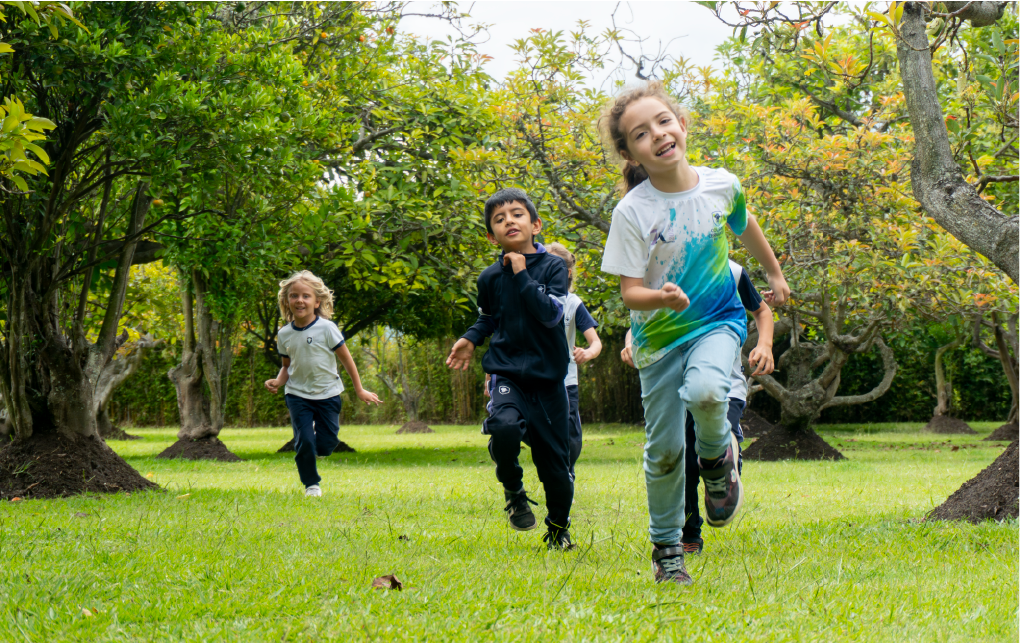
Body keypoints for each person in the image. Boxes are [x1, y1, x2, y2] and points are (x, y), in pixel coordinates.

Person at [599, 82, 789, 584]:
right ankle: (667, 550)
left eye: (663, 121)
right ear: (630, 152)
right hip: (658, 340)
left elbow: (746, 228)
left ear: (681, 124)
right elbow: (630, 292)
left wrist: (773, 274)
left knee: (708, 391)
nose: (657, 135)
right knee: (663, 450)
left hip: (717, 319)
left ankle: (715, 459)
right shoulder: (633, 212)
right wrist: (659, 298)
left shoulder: (722, 185)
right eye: (641, 133)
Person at [446, 188, 576, 550]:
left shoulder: (553, 267)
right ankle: (514, 490)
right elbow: (489, 317)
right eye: (499, 220)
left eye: (517, 215)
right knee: (502, 427)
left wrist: (521, 273)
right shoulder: (489, 278)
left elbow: (551, 315)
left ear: (535, 225)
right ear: (492, 236)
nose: (509, 222)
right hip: (506, 373)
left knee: (555, 465)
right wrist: (471, 338)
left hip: (548, 380)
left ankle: (558, 529)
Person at [622, 260, 775, 555]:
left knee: (709, 453)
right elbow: (639, 320)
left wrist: (765, 344)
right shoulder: (658, 270)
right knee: (686, 464)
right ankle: (689, 534)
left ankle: (727, 462)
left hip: (724, 386)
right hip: (676, 386)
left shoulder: (732, 271)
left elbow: (761, 311)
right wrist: (631, 342)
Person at [265, 270, 381, 497]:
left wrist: (359, 389)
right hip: (297, 395)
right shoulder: (285, 334)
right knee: (305, 441)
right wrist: (279, 381)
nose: (300, 300)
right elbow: (287, 366)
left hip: (328, 393)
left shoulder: (327, 328)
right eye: (294, 296)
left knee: (328, 443)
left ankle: (315, 445)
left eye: (306, 296)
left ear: (317, 301)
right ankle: (311, 485)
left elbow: (346, 359)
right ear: (287, 301)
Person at [546, 242, 602, 474]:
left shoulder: (573, 303)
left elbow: (596, 342)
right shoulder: (531, 297)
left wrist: (587, 353)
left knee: (570, 438)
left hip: (566, 381)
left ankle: (566, 474)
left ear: (566, 272)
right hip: (535, 380)